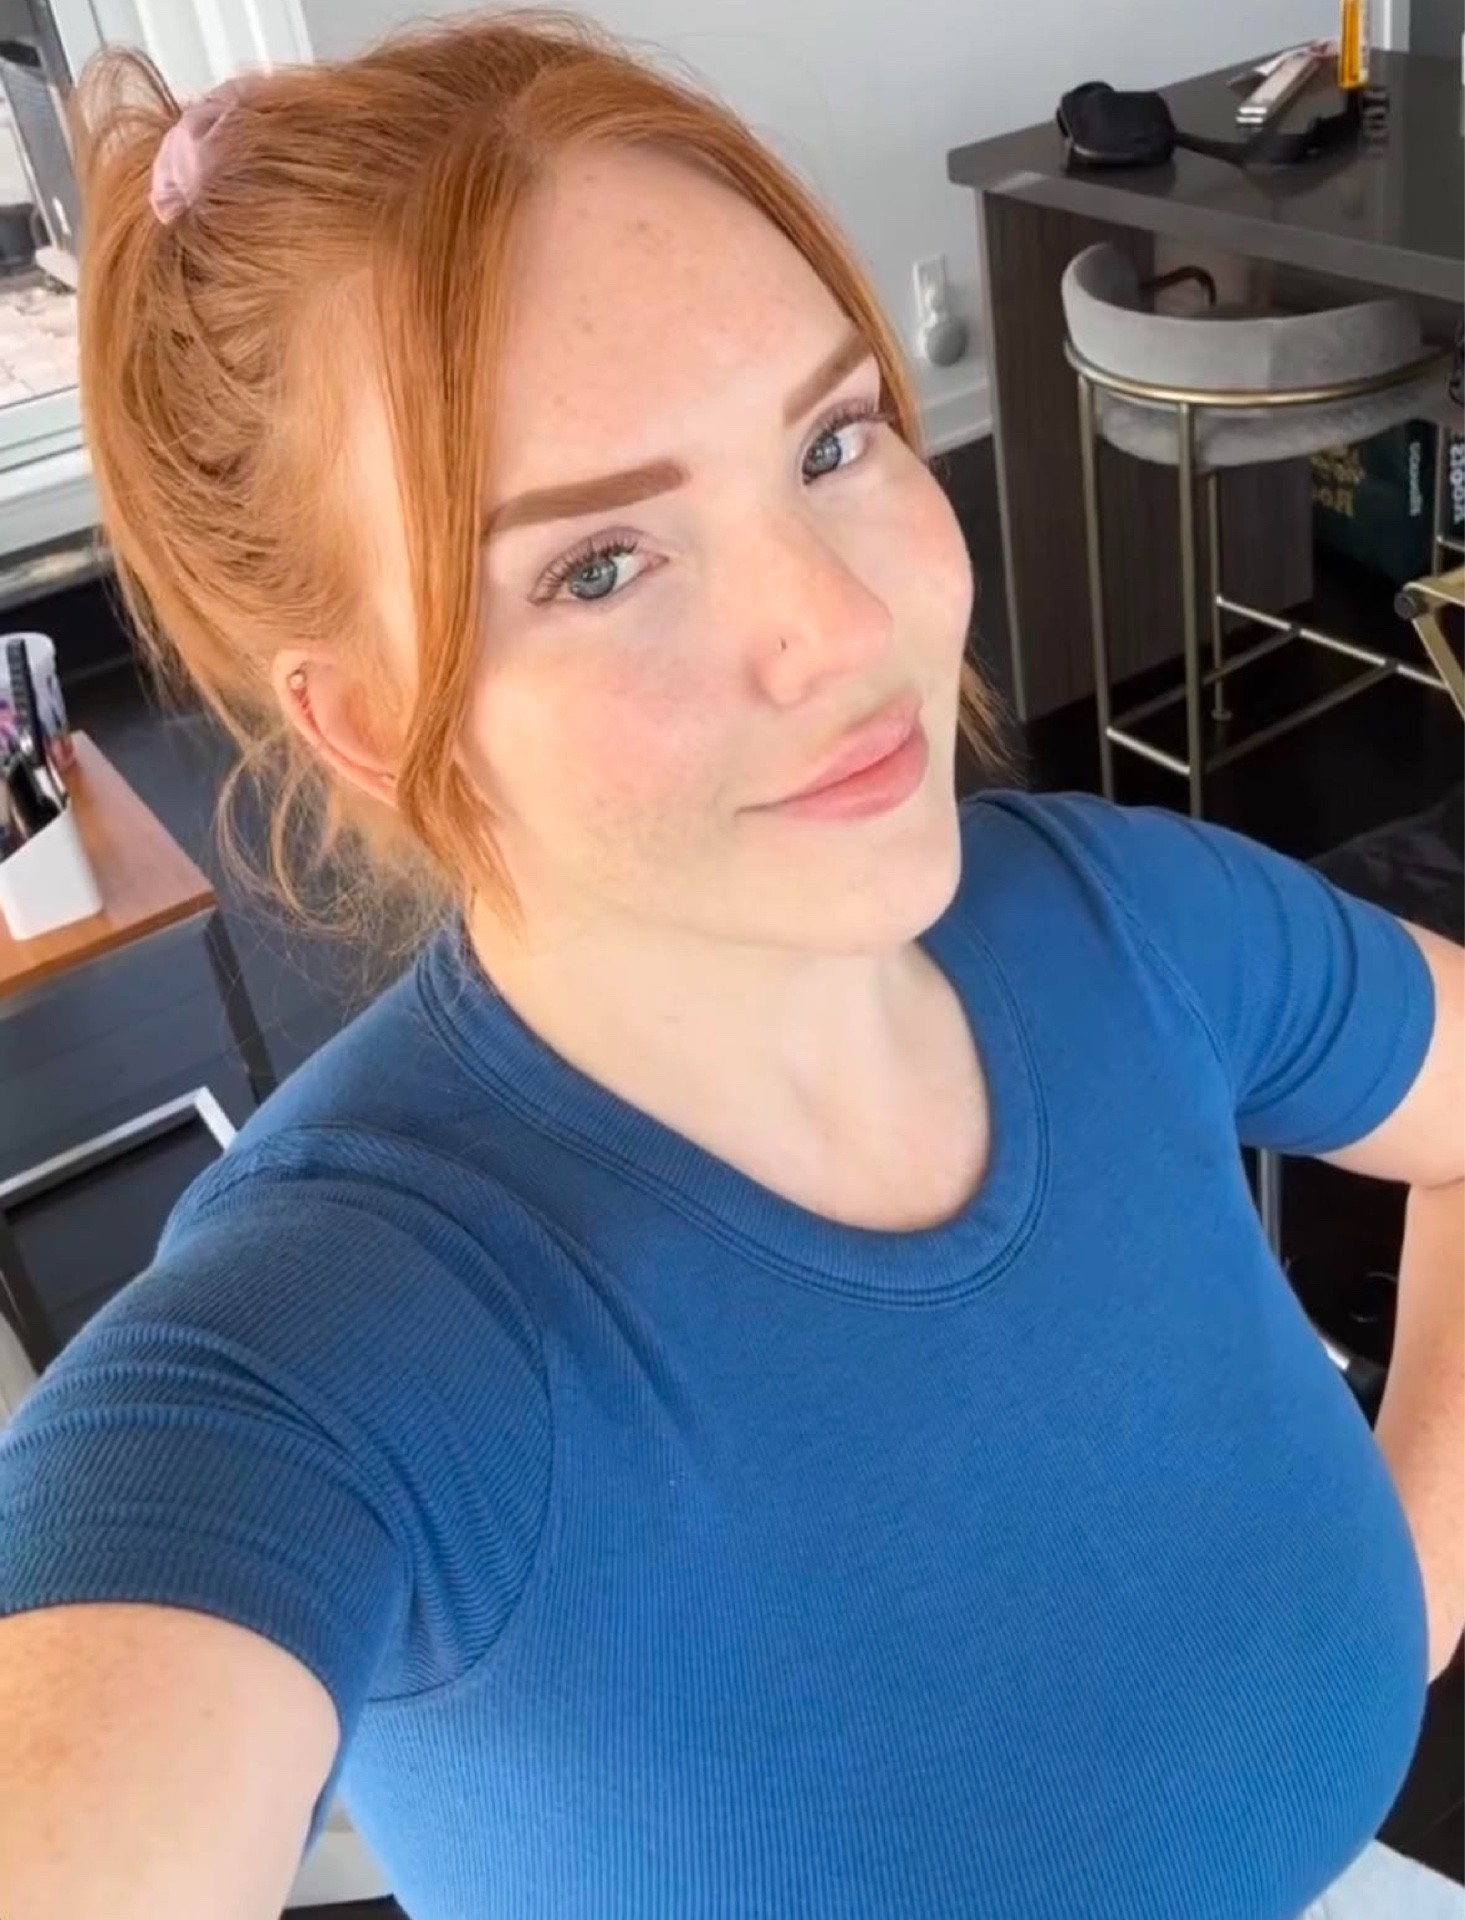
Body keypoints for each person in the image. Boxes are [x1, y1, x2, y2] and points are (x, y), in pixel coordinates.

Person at [0, 14, 1461, 1920]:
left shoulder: (1123, 923)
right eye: (598, 565)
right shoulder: (337, 1336)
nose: (844, 626)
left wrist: (1395, 1587)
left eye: (831, 440)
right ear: (363, 721)